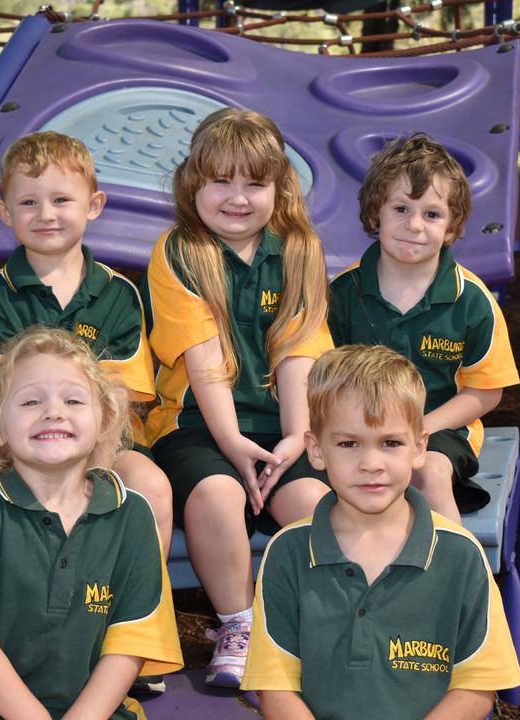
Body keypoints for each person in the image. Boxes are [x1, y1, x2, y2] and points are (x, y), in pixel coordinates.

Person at [143, 107, 332, 687]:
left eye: (255, 183)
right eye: (221, 180)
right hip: (200, 422)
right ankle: (237, 623)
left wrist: (297, 437)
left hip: (282, 420)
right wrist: (231, 442)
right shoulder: (179, 251)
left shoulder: (299, 248)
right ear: (193, 183)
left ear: (280, 187)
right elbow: (205, 363)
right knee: (218, 497)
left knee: (314, 507)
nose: (237, 197)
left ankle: (310, 629)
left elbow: (298, 352)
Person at [242, 345, 520, 719]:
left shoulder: (460, 554)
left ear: (420, 446)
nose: (371, 464)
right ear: (316, 450)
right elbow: (275, 687)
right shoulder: (288, 552)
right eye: (348, 443)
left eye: (390, 443)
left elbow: (477, 687)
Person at [0, 326, 182, 719]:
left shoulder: (133, 515)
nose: (53, 412)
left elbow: (130, 643)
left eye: (74, 399)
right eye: (30, 402)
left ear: (104, 421)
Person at [0, 130, 174, 557]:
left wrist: (89, 477)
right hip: (22, 443)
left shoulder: (119, 293)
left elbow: (119, 400)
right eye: (28, 202)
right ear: (4, 213)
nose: (46, 214)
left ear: (93, 205)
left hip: (106, 442)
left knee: (150, 484)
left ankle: (137, 604)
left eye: (61, 200)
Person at [328, 133, 519, 523]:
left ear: (451, 228)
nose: (414, 225)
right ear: (374, 213)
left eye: (432, 214)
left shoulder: (471, 300)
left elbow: (485, 391)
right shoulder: (342, 294)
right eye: (400, 208)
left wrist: (419, 429)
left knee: (426, 470)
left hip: (437, 428)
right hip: (356, 428)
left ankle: (453, 574)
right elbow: (320, 378)